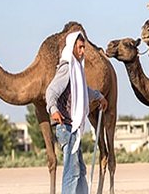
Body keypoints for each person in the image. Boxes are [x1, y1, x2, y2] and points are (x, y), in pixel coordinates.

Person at [45, 31, 108, 194]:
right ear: (72, 47)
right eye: (79, 47)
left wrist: (99, 96)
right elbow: (51, 91)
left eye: (83, 48)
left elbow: (82, 90)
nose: (82, 51)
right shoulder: (66, 68)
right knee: (72, 172)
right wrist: (53, 110)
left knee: (80, 170)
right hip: (66, 127)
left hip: (73, 127)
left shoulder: (76, 69)